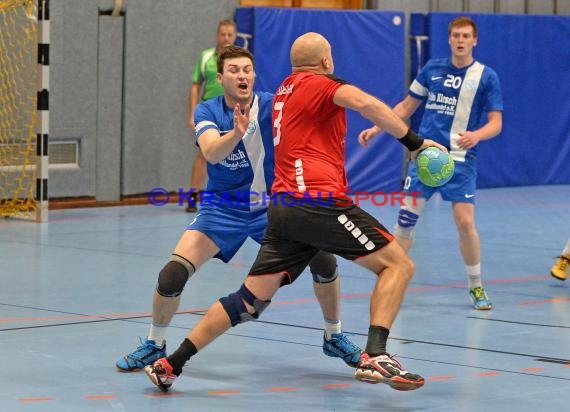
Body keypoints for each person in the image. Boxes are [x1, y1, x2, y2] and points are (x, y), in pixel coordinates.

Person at [144, 32, 445, 392]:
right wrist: (416, 144)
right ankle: (376, 355)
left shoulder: (284, 90)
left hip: (283, 208)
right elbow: (366, 103)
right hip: (318, 200)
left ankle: (170, 363)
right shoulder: (322, 84)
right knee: (398, 264)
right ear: (327, 62)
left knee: (248, 301)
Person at [116, 45, 362, 373]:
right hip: (222, 209)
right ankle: (154, 343)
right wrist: (236, 132)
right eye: (233, 70)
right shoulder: (208, 111)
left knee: (325, 260)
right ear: (220, 78)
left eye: (247, 69)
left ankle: (333, 335)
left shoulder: (273, 105)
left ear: (254, 75)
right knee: (171, 275)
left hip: (270, 210)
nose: (241, 75)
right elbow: (213, 153)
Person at [359, 16, 503, 310]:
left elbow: (496, 123)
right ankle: (392, 278)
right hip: (425, 157)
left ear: (474, 41)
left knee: (465, 223)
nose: (460, 41)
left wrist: (477, 135)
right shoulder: (432, 69)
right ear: (449, 39)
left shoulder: (486, 76)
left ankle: (476, 285)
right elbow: (406, 106)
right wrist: (376, 128)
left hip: (461, 161)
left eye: (466, 36)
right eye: (456, 36)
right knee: (405, 221)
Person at [186, 19, 238, 213]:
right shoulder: (206, 57)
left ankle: (229, 197)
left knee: (234, 155)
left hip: (234, 111)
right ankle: (192, 195)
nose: (226, 38)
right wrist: (193, 112)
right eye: (223, 34)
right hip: (211, 111)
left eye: (230, 34)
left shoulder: (240, 59)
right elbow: (195, 85)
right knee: (204, 153)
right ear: (217, 35)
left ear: (235, 36)